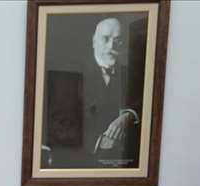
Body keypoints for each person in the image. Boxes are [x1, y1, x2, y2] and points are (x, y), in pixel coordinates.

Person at [43, 16, 143, 169]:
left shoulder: (131, 74)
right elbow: (59, 124)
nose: (111, 46)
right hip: (80, 162)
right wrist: (99, 141)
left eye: (117, 40)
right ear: (94, 41)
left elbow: (144, 103)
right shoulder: (71, 72)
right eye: (105, 39)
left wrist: (127, 115)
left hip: (121, 164)